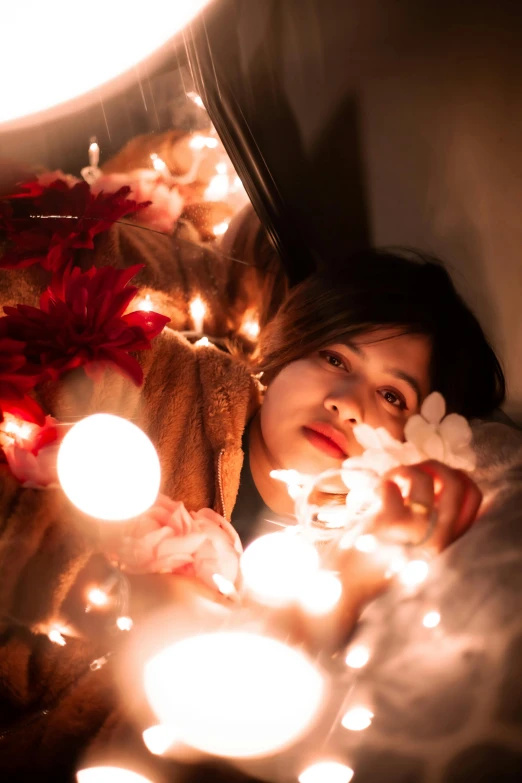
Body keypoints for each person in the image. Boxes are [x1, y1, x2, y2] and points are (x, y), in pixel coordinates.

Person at [0, 243, 504, 780]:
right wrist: (117, 580)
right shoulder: (153, 376)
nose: (348, 402)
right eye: (335, 359)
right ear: (287, 351)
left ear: (418, 442)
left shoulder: (363, 571)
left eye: (392, 397)